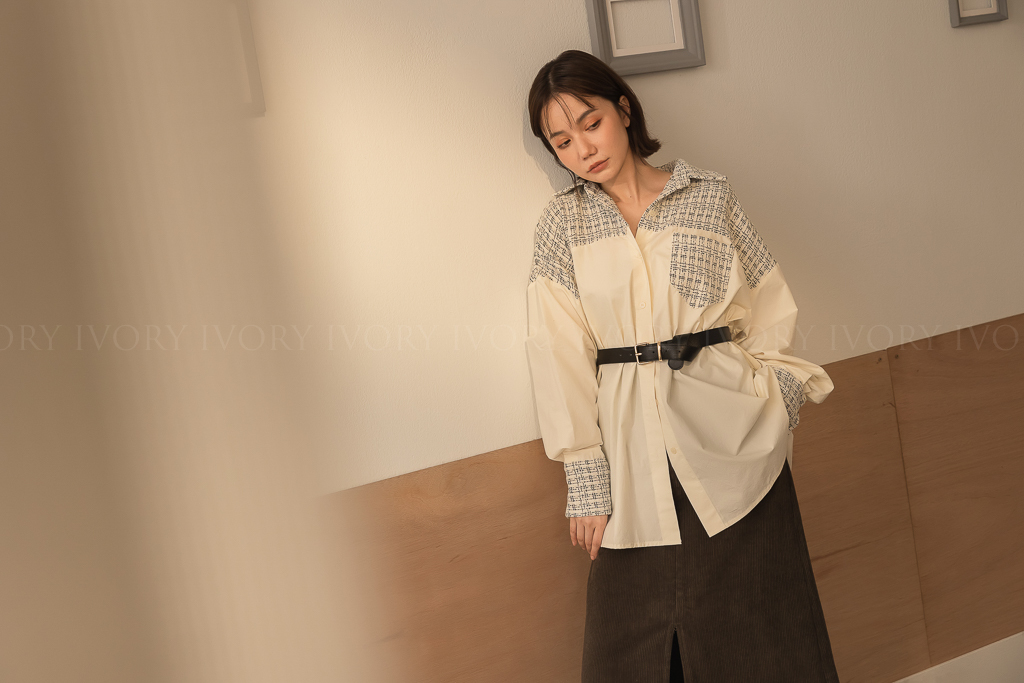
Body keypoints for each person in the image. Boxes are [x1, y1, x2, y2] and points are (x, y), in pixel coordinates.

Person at [523, 50, 841, 682]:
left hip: (734, 443)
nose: (583, 149)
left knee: (765, 632)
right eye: (561, 141)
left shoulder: (708, 196)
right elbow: (555, 349)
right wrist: (584, 473)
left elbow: (769, 305)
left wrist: (777, 396)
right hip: (630, 455)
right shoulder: (563, 225)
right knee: (630, 645)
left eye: (590, 123)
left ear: (624, 109)